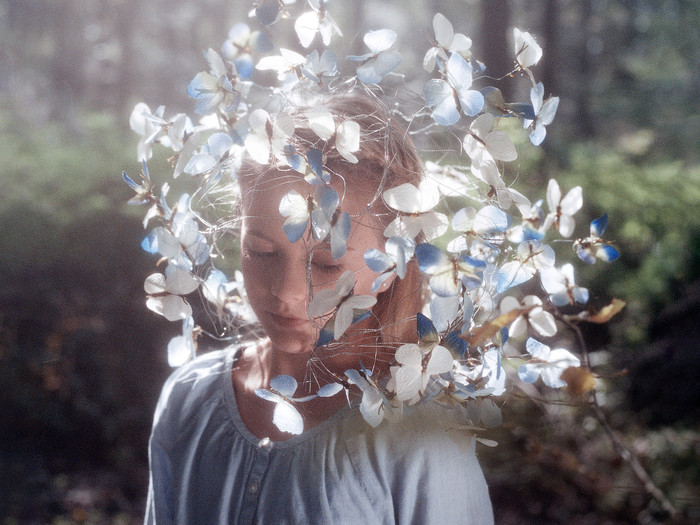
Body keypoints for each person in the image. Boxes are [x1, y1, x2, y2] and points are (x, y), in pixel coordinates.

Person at [145, 92, 495, 524]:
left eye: (327, 265)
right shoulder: (188, 399)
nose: (287, 293)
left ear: (394, 263)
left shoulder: (418, 435)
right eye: (260, 251)